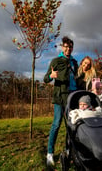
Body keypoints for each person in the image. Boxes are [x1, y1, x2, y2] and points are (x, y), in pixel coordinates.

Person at [43, 36, 78, 166]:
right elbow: (46, 78)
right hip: (59, 98)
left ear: (72, 48)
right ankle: (50, 154)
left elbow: (77, 78)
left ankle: (68, 150)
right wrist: (51, 76)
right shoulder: (56, 61)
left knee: (70, 126)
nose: (68, 49)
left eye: (70, 47)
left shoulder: (74, 62)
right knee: (56, 124)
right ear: (62, 47)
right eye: (66, 46)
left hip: (72, 97)